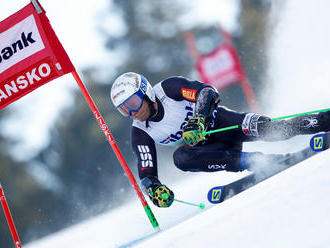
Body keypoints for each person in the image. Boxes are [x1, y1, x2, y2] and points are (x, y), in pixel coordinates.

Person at [110, 72, 330, 208]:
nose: (132, 113)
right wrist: (155, 190)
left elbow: (207, 91)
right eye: (124, 110)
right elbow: (147, 173)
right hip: (212, 150)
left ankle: (324, 121)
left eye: (133, 104)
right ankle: (258, 161)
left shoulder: (169, 89)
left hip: (225, 123)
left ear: (146, 93)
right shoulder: (140, 132)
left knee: (273, 130)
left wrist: (199, 119)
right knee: (181, 158)